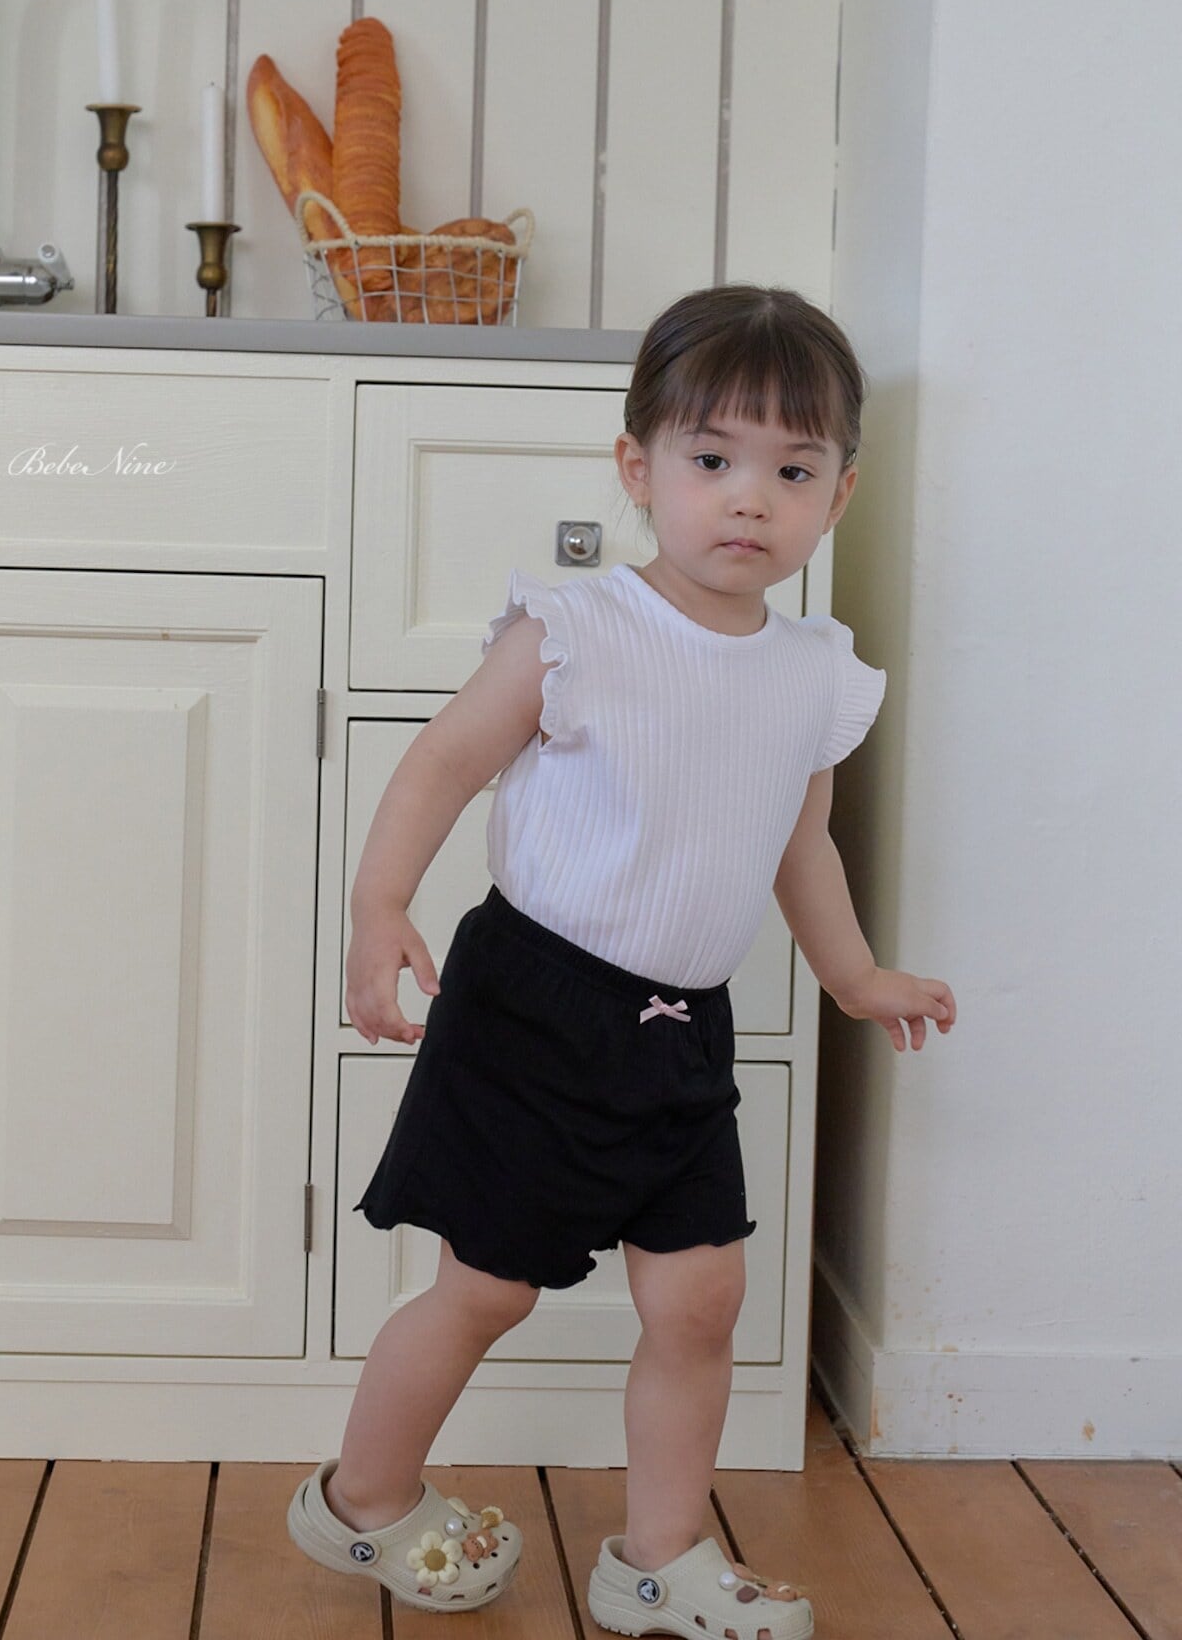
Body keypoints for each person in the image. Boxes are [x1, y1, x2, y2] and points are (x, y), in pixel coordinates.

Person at [286, 283, 957, 1636]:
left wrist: (854, 977)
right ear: (638, 469)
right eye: (712, 460)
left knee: (704, 1299)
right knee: (488, 1286)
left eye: (793, 471)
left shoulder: (815, 672)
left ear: (838, 493)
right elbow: (443, 763)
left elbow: (801, 846)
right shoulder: (577, 630)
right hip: (531, 1007)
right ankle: (362, 1498)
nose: (749, 498)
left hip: (679, 1028)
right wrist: (378, 904)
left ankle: (655, 1558)